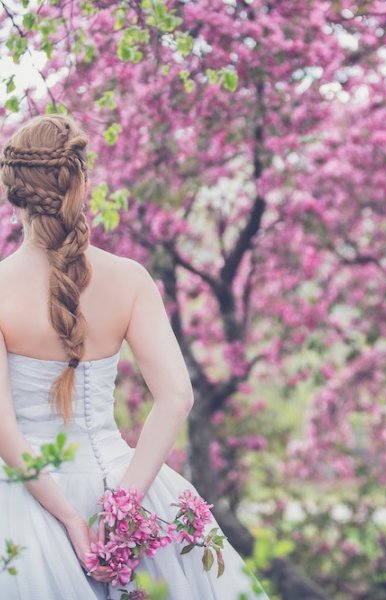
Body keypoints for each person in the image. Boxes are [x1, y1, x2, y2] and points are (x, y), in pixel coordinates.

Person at [0, 114, 269, 599]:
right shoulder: (129, 278)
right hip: (123, 481)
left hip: (24, 504)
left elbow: (4, 430)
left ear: (13, 191)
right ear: (80, 184)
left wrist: (67, 517)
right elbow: (176, 397)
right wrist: (126, 502)